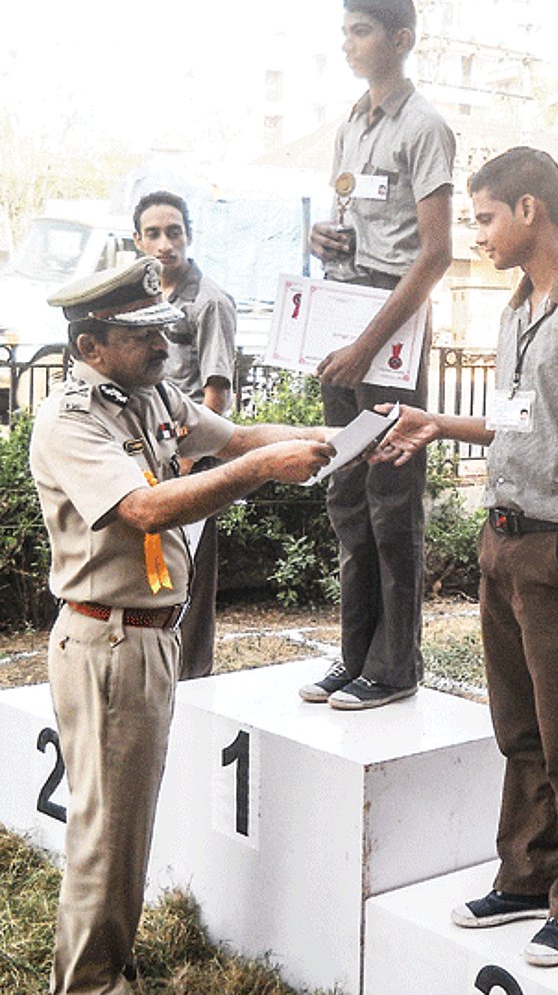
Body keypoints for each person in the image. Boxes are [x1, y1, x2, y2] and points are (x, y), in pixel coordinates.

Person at [29, 257, 334, 995]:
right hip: (107, 640)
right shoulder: (71, 419)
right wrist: (266, 470)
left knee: (125, 827)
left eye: (165, 328)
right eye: (143, 335)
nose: (164, 344)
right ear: (90, 346)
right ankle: (91, 986)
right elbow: (144, 508)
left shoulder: (152, 395)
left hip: (147, 636)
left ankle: (110, 968)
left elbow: (236, 438)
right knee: (105, 838)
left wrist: (329, 437)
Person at [370, 147, 558, 966]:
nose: (476, 233)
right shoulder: (516, 310)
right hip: (503, 542)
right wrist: (436, 424)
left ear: (530, 211)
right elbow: (519, 420)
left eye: (484, 217)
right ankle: (525, 876)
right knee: (518, 727)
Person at [300, 0, 455, 710]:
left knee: (393, 500)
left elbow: (434, 254)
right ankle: (355, 652)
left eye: (362, 31)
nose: (348, 43)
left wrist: (367, 345)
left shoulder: (423, 127)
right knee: (346, 492)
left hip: (388, 332)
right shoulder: (351, 124)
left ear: (401, 39)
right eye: (346, 31)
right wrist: (320, 237)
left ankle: (395, 668)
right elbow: (347, 215)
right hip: (344, 314)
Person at [133, 190, 238, 679]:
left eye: (174, 232)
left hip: (189, 458)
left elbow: (216, 391)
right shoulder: (141, 300)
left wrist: (190, 465)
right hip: (144, 457)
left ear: (189, 237)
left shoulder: (209, 301)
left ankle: (190, 679)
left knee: (188, 575)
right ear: (137, 240)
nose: (164, 244)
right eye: (153, 233)